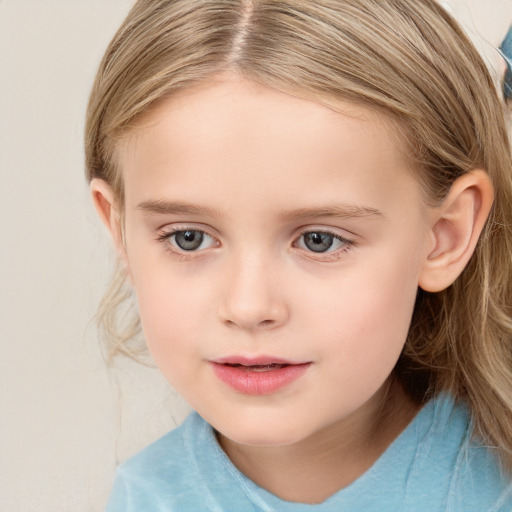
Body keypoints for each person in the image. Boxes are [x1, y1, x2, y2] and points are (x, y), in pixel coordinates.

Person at [85, 0, 512, 510]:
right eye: (189, 238)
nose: (248, 306)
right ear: (120, 230)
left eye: (319, 240)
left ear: (444, 235)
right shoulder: (144, 499)